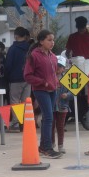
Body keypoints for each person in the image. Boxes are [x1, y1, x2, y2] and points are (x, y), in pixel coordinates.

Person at [24, 29, 62, 159]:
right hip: (41, 90)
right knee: (49, 117)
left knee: (48, 118)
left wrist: (56, 81)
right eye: (49, 40)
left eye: (53, 40)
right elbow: (28, 76)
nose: (52, 42)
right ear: (41, 41)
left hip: (53, 90)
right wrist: (43, 83)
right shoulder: (34, 56)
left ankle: (43, 146)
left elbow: (53, 73)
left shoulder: (52, 56)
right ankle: (47, 148)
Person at [65, 16, 89, 131]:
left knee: (73, 93)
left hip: (78, 68)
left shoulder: (74, 37)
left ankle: (76, 116)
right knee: (83, 95)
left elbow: (68, 52)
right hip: (87, 68)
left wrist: (70, 59)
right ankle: (81, 116)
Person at [5, 26, 31, 132]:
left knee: (15, 101)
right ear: (25, 36)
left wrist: (7, 76)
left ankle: (15, 124)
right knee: (26, 101)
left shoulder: (13, 49)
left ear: (15, 36)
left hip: (15, 79)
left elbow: (8, 65)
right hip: (28, 78)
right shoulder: (30, 48)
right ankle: (25, 123)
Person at [52, 56, 72, 154]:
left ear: (64, 68)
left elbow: (72, 92)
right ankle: (51, 144)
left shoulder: (67, 78)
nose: (58, 68)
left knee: (60, 126)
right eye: (56, 66)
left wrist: (67, 95)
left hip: (63, 106)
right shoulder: (50, 77)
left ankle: (61, 145)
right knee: (51, 125)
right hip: (51, 106)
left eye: (60, 66)